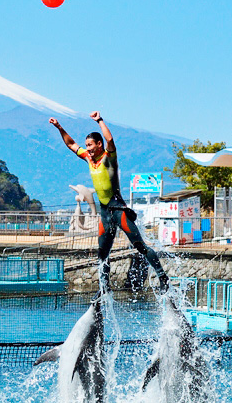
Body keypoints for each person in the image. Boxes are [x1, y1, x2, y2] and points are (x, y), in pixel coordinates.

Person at [49, 111, 169, 293]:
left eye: (91, 145)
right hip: (104, 213)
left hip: (118, 210)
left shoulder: (108, 158)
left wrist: (100, 121)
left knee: (140, 247)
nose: (87, 148)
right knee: (102, 254)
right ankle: (104, 288)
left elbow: (111, 140)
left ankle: (163, 278)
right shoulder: (89, 159)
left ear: (99, 144)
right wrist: (59, 127)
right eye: (87, 145)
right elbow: (71, 144)